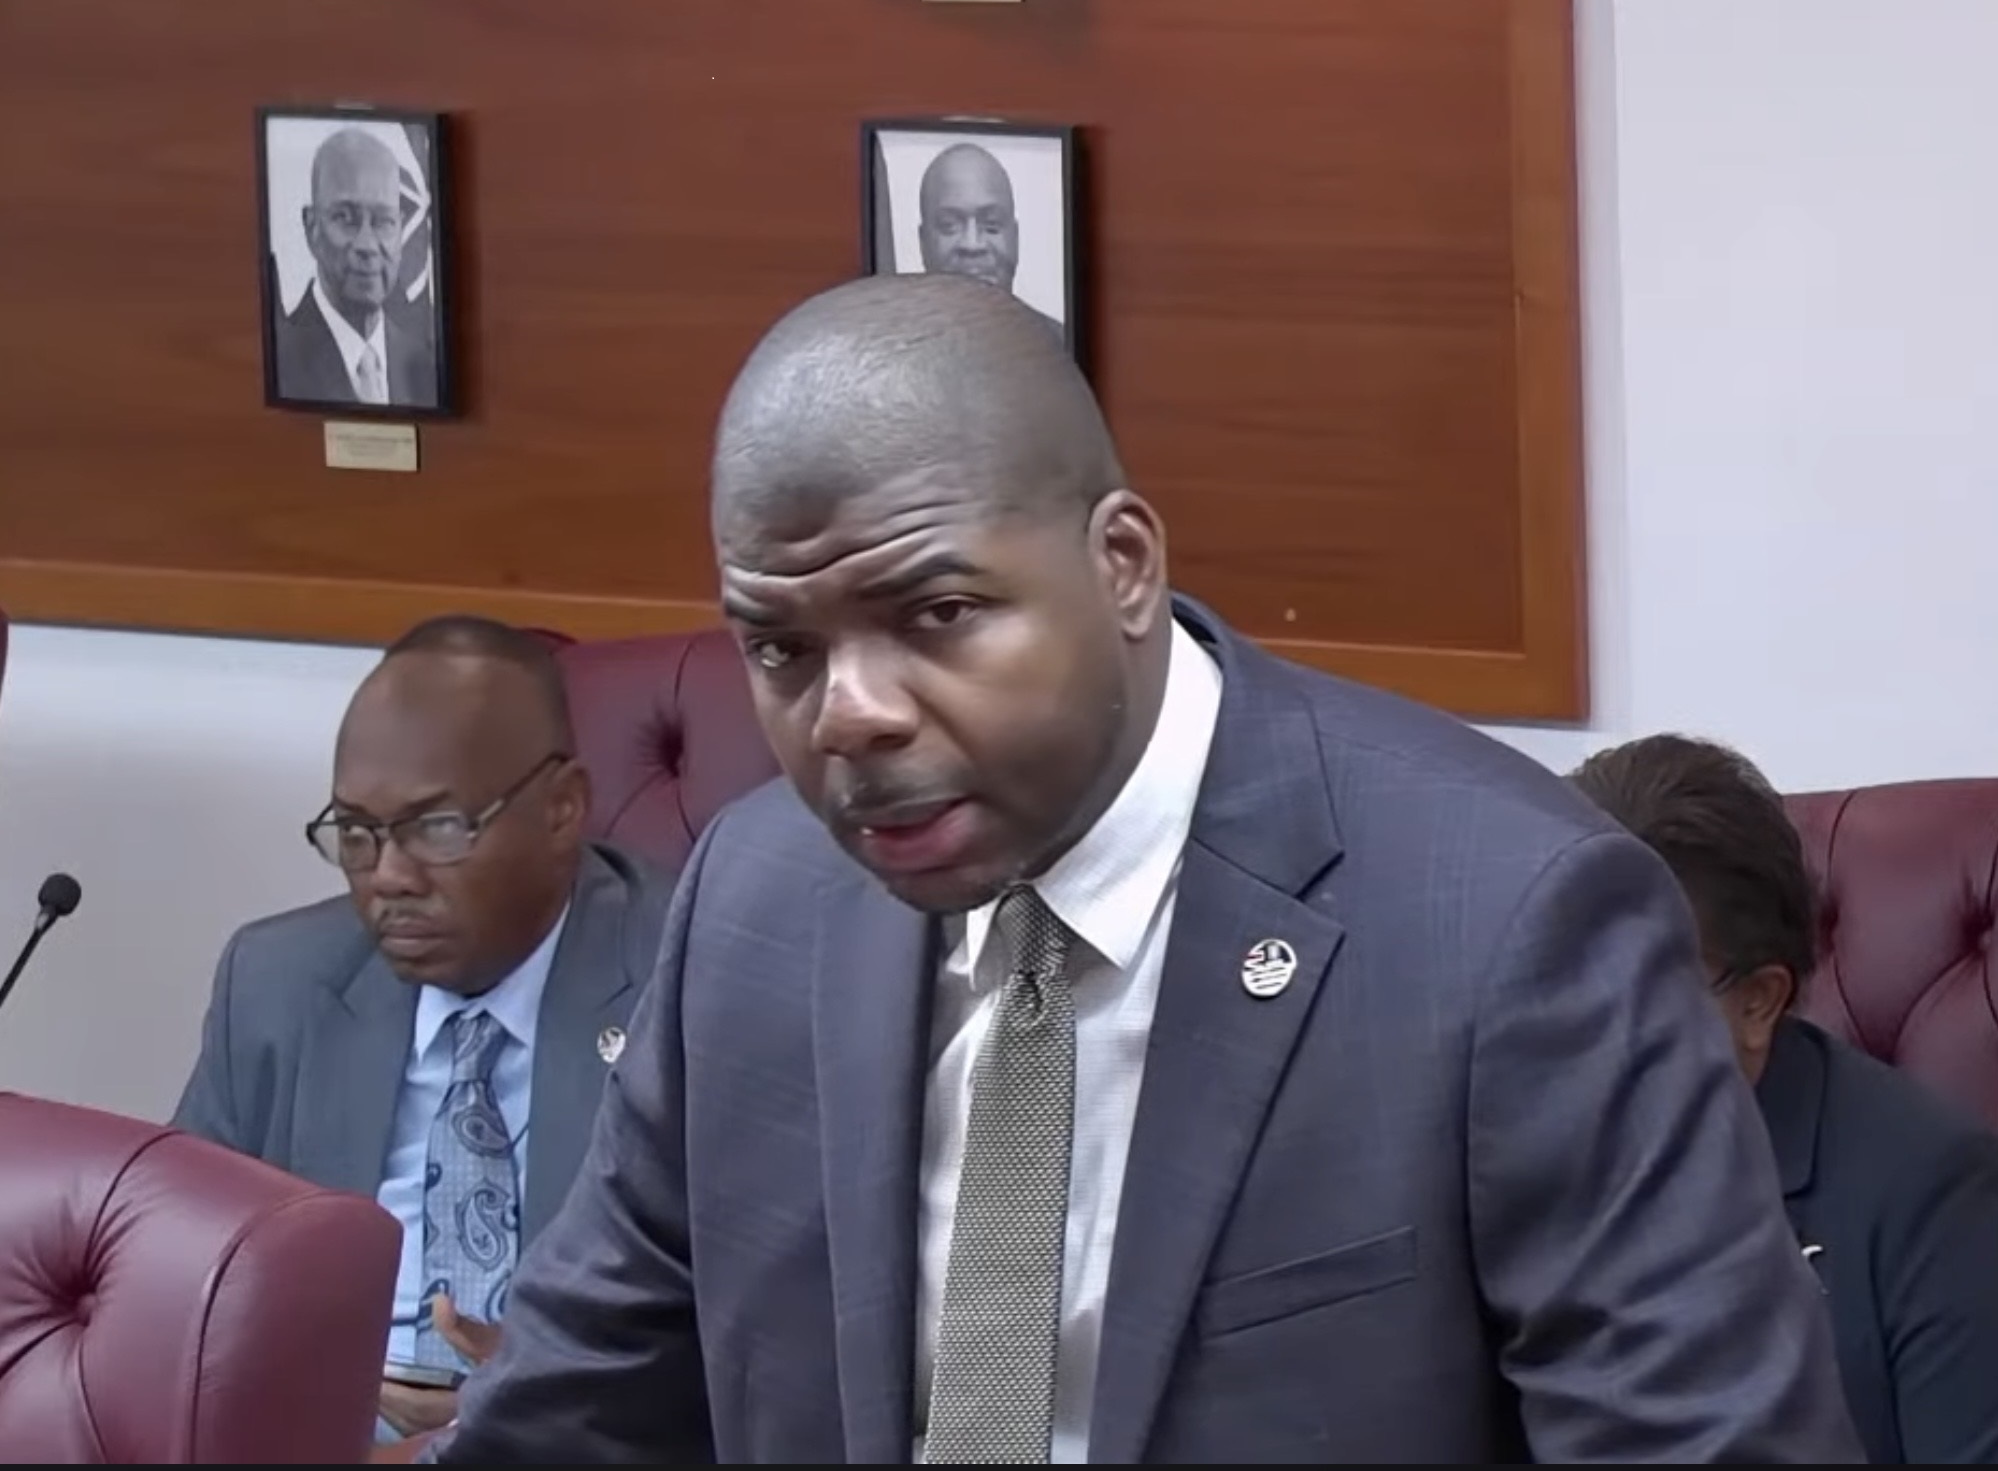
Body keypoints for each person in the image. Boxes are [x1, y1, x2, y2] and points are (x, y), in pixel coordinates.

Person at [423, 275, 1861, 1463]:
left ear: (1120, 564)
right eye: (780, 648)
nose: (846, 714)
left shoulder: (1506, 926)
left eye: (935, 611)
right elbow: (565, 1410)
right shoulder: (758, 901)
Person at [171, 614, 672, 1442]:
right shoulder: (276, 983)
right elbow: (178, 1275)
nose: (390, 877)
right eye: (357, 833)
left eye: (438, 828)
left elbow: (755, 1320)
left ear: (562, 808)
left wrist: (545, 1387)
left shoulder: (685, 978)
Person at [1570, 732, 1998, 1464]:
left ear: (1757, 1002)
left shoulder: (1935, 1197)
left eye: (1629, 992)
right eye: (1555, 975)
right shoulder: (1493, 1144)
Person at [272, 125, 437, 409]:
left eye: (383, 221)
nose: (367, 245)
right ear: (311, 228)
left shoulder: (426, 367)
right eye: (346, 218)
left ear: (400, 227)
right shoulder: (278, 362)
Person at [914, 141, 1065, 342]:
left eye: (991, 225)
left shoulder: (1061, 347)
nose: (972, 244)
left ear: (1015, 238)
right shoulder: (887, 350)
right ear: (923, 243)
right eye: (949, 225)